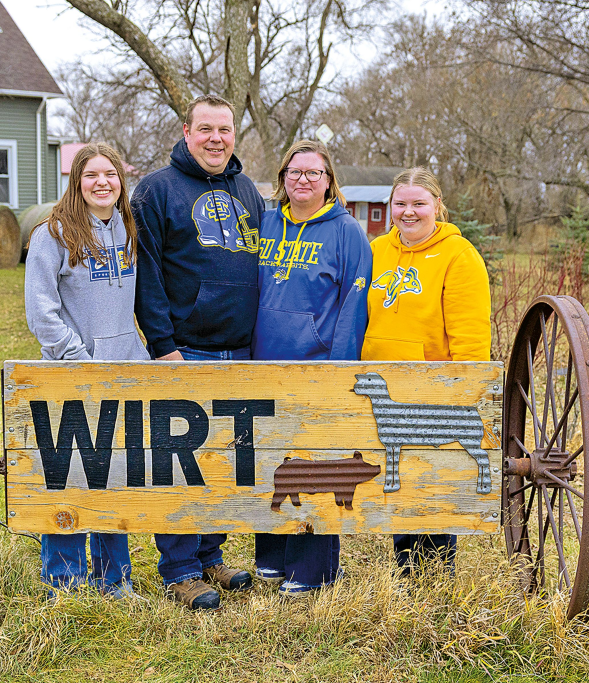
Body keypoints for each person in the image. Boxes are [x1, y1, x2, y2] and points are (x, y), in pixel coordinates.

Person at [132, 94, 265, 610]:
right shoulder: (156, 191)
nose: (216, 138)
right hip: (186, 351)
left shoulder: (247, 190)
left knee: (223, 462)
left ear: (234, 134)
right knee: (181, 464)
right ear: (186, 132)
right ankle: (180, 570)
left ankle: (211, 556)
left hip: (241, 352)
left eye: (224, 129)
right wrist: (163, 346)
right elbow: (147, 274)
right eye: (205, 129)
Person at [24, 141, 148, 600]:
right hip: (73, 373)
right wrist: (79, 359)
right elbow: (41, 313)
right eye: (92, 175)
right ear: (76, 182)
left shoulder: (127, 229)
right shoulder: (53, 234)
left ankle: (114, 579)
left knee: (114, 474)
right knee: (71, 474)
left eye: (110, 174)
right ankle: (66, 582)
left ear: (121, 181)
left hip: (123, 370)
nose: (102, 182)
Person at [251, 140, 372, 597]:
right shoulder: (266, 223)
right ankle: (270, 557)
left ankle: (313, 569)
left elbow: (354, 305)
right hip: (263, 364)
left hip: (316, 366)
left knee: (316, 465)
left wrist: (337, 369)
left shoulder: (347, 232)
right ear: (283, 178)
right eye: (294, 172)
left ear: (328, 181)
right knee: (271, 462)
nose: (303, 180)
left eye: (313, 173)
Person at [362, 167, 491, 575]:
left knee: (432, 480)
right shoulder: (376, 250)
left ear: (437, 205)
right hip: (385, 382)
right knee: (399, 476)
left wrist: (463, 391)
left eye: (419, 203)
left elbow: (470, 336)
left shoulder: (459, 255)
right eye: (400, 203)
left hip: (433, 389)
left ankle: (435, 575)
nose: (409, 212)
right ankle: (407, 571)